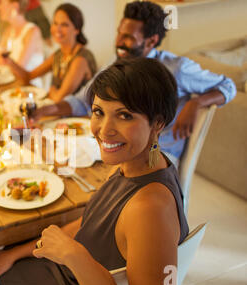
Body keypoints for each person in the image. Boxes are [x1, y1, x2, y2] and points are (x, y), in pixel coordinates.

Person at [0, 57, 189, 285]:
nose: (104, 129)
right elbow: (91, 222)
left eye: (124, 115)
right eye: (99, 112)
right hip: (72, 273)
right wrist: (16, 253)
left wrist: (75, 256)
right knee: (4, 254)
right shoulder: (136, 164)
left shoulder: (150, 209)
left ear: (158, 123)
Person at [30, 0, 236, 166]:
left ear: (151, 41)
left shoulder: (178, 69)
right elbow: (83, 100)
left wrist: (197, 103)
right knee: (55, 157)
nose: (119, 42)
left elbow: (228, 86)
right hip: (124, 146)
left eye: (128, 37)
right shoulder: (118, 62)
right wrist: (45, 110)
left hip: (159, 155)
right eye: (120, 32)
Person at [2, 3, 97, 103]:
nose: (58, 29)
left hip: (77, 116)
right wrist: (9, 62)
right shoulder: (59, 54)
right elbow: (28, 77)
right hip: (58, 111)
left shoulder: (80, 59)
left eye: (64, 25)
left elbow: (59, 98)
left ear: (77, 30)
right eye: (55, 23)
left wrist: (51, 89)